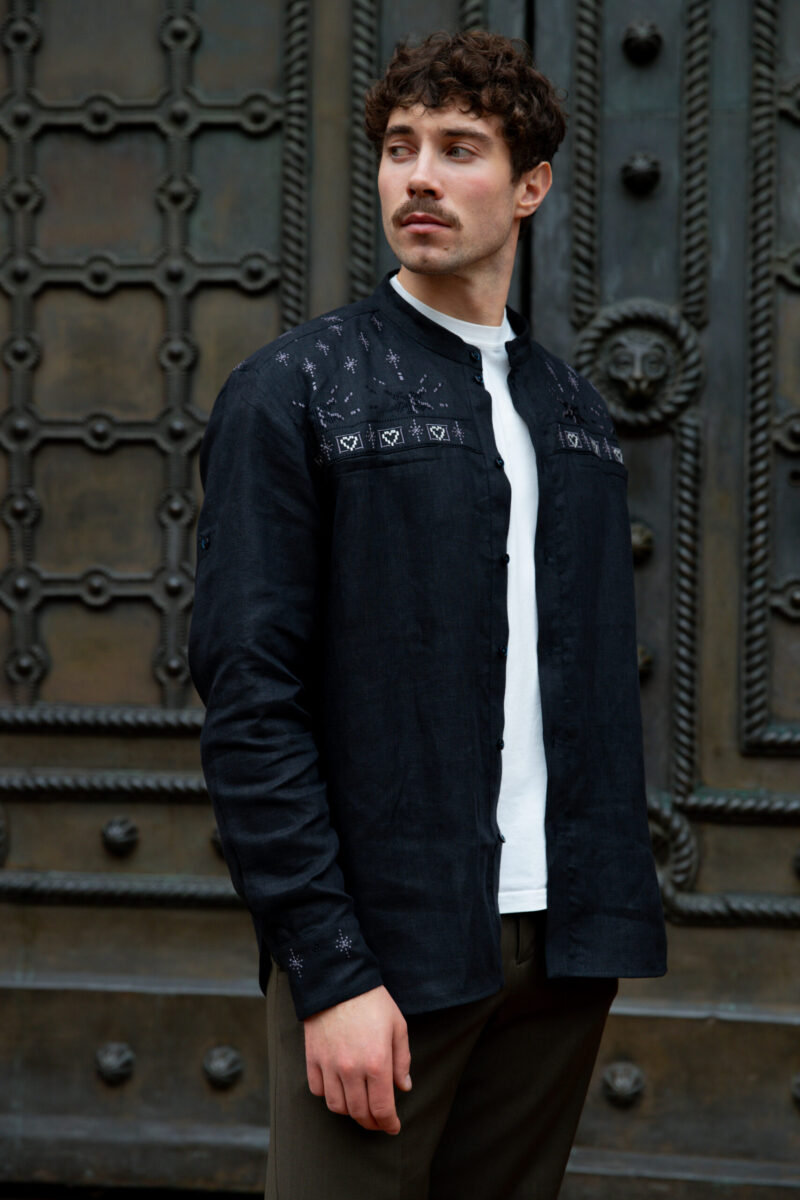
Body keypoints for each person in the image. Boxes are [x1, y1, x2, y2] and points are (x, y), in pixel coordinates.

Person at [188, 28, 667, 1200]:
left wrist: (596, 924)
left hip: (559, 949)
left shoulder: (573, 415)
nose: (418, 176)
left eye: (459, 149)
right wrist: (329, 969)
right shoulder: (295, 389)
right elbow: (249, 695)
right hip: (384, 953)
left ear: (529, 186)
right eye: (400, 148)